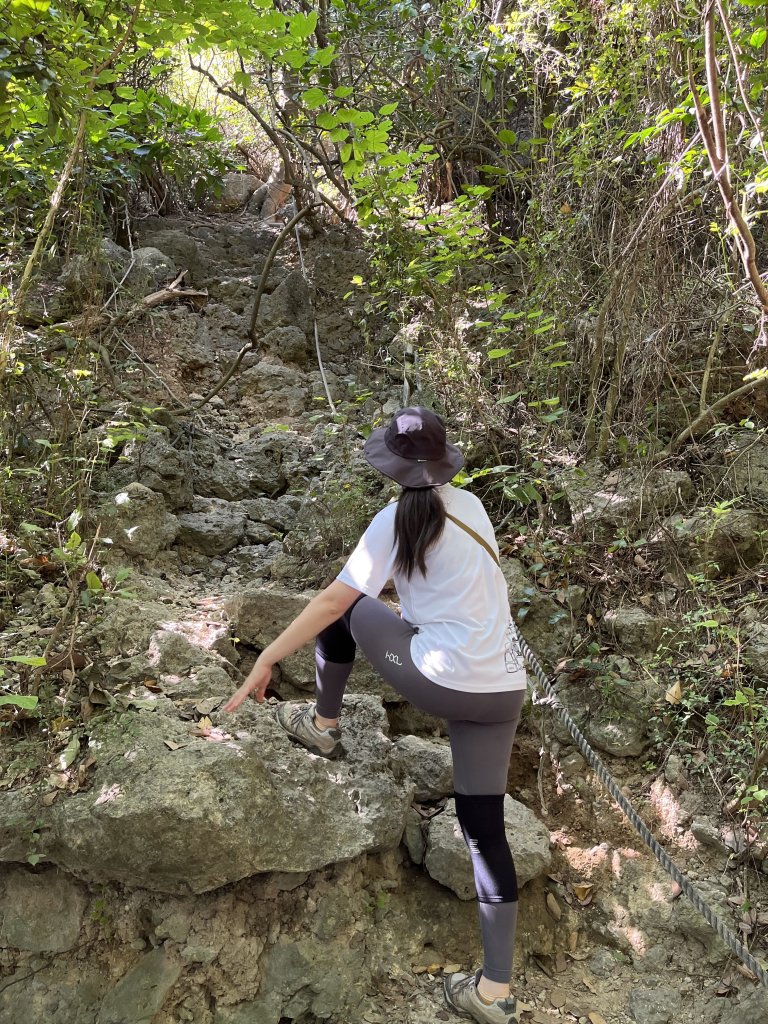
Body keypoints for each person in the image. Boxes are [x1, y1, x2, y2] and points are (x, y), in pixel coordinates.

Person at [224, 407, 527, 1024]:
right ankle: (496, 992)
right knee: (484, 830)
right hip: (503, 688)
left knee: (349, 608)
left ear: (391, 463)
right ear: (443, 460)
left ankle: (325, 727)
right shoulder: (472, 509)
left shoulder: (393, 520)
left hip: (445, 681)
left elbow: (336, 599)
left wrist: (267, 659)